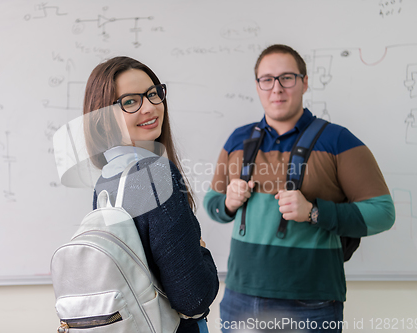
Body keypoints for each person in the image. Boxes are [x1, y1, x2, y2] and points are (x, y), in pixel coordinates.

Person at [203, 44, 395, 332]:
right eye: (267, 79)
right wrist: (227, 203)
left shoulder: (339, 141)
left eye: (287, 78)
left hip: (312, 302)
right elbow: (212, 203)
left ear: (305, 82)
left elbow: (383, 213)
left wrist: (314, 212)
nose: (276, 88)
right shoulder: (238, 140)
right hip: (240, 296)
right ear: (257, 86)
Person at [83, 56, 219, 333]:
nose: (150, 107)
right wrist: (202, 251)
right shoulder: (156, 174)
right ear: (103, 119)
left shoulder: (104, 183)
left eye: (153, 94)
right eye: (131, 101)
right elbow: (193, 299)